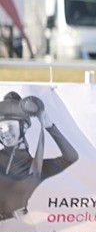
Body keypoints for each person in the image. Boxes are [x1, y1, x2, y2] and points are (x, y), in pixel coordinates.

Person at [0, 92, 78, 221]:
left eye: (9, 127)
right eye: (0, 128)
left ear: (23, 127)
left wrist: (50, 127)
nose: (4, 133)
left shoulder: (36, 166)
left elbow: (71, 157)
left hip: (21, 226)